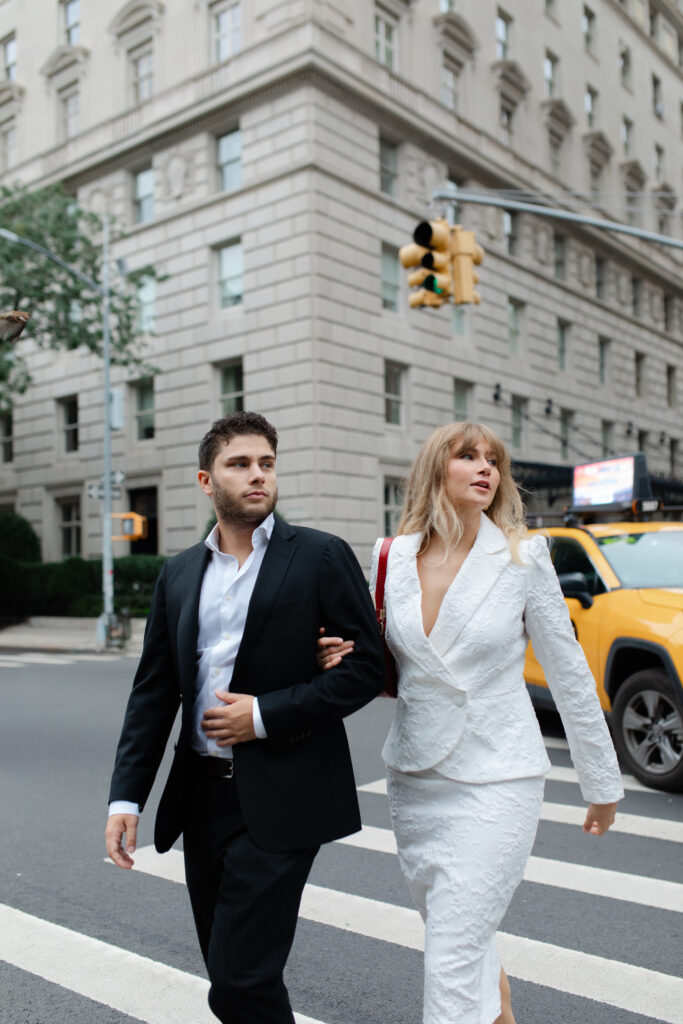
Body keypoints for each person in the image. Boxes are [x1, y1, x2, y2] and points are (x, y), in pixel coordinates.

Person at [317, 421, 624, 1024]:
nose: (487, 468)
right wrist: (335, 655)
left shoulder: (522, 556)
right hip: (416, 778)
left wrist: (602, 783)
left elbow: (568, 674)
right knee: (463, 940)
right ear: (438, 469)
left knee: (453, 956)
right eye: (468, 456)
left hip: (498, 776)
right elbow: (375, 656)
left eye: (494, 460)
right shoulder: (391, 557)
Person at [105, 411, 386, 1024]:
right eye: (240, 464)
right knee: (230, 971)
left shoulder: (318, 555)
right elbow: (154, 693)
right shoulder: (178, 573)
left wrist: (264, 715)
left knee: (239, 980)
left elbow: (367, 668)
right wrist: (126, 800)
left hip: (285, 795)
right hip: (201, 799)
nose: (258, 475)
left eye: (267, 463)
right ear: (207, 481)